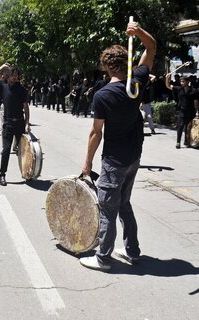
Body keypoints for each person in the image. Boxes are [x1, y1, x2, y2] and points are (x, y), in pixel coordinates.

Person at [79, 21, 156, 271]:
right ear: (126, 64)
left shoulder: (102, 95)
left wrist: (88, 162)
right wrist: (138, 31)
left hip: (114, 160)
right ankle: (132, 252)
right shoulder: (138, 83)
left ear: (106, 66)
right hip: (134, 156)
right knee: (124, 204)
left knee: (108, 208)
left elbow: (96, 132)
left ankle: (103, 258)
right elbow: (152, 47)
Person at [0, 64, 30, 186]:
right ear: (8, 76)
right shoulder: (2, 86)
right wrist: (2, 67)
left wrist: (27, 124)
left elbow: (26, 107)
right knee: (6, 150)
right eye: (13, 75)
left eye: (17, 75)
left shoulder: (21, 89)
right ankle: (2, 175)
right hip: (8, 124)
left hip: (20, 123)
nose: (16, 77)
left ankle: (28, 173)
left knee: (24, 150)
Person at [165, 74, 199, 148]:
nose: (181, 83)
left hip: (190, 111)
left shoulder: (193, 91)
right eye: (181, 81)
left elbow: (196, 102)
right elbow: (168, 86)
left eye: (183, 81)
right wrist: (167, 78)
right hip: (181, 110)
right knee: (180, 126)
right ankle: (178, 142)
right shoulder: (179, 89)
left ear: (187, 82)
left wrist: (197, 112)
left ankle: (186, 141)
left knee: (188, 127)